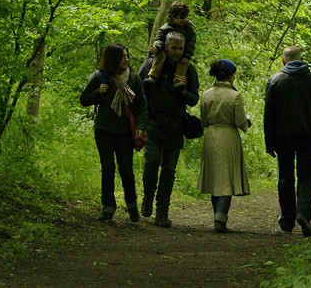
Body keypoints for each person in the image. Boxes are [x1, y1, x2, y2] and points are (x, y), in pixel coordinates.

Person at [263, 46, 311, 237]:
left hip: (282, 136)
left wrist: (269, 141)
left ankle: (286, 223)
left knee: (285, 177)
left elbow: (268, 115)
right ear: (302, 59)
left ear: (283, 61)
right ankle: (303, 213)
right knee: (307, 175)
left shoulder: (275, 80)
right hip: (308, 135)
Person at [80, 43, 149, 223]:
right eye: (122, 56)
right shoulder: (100, 77)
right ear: (113, 59)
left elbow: (142, 104)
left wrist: (141, 125)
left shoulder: (133, 79)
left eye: (127, 56)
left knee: (126, 170)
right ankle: (108, 208)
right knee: (108, 168)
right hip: (104, 129)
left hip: (125, 131)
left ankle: (132, 205)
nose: (126, 59)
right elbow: (84, 100)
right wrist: (98, 92)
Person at [138, 31, 200, 227]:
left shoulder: (188, 69)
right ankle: (147, 198)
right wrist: (140, 121)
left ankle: (162, 212)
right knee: (151, 162)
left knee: (169, 170)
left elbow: (194, 98)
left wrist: (182, 91)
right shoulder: (150, 65)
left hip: (175, 125)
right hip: (153, 123)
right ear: (165, 46)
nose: (177, 52)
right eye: (173, 48)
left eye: (180, 48)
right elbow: (138, 92)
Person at [197, 59, 251, 233]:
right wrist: (247, 122)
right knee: (226, 178)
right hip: (228, 136)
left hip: (211, 136)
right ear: (230, 76)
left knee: (215, 177)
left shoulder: (205, 94)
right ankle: (220, 217)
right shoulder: (235, 96)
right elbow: (241, 121)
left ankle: (217, 215)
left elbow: (204, 120)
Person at [144, 1, 196, 89]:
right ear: (173, 16)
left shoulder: (189, 29)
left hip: (184, 54)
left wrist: (187, 55)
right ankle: (153, 76)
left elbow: (191, 43)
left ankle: (179, 80)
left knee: (183, 62)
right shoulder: (165, 28)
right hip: (164, 51)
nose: (184, 19)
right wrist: (156, 47)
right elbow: (159, 40)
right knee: (159, 56)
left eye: (185, 17)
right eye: (181, 17)